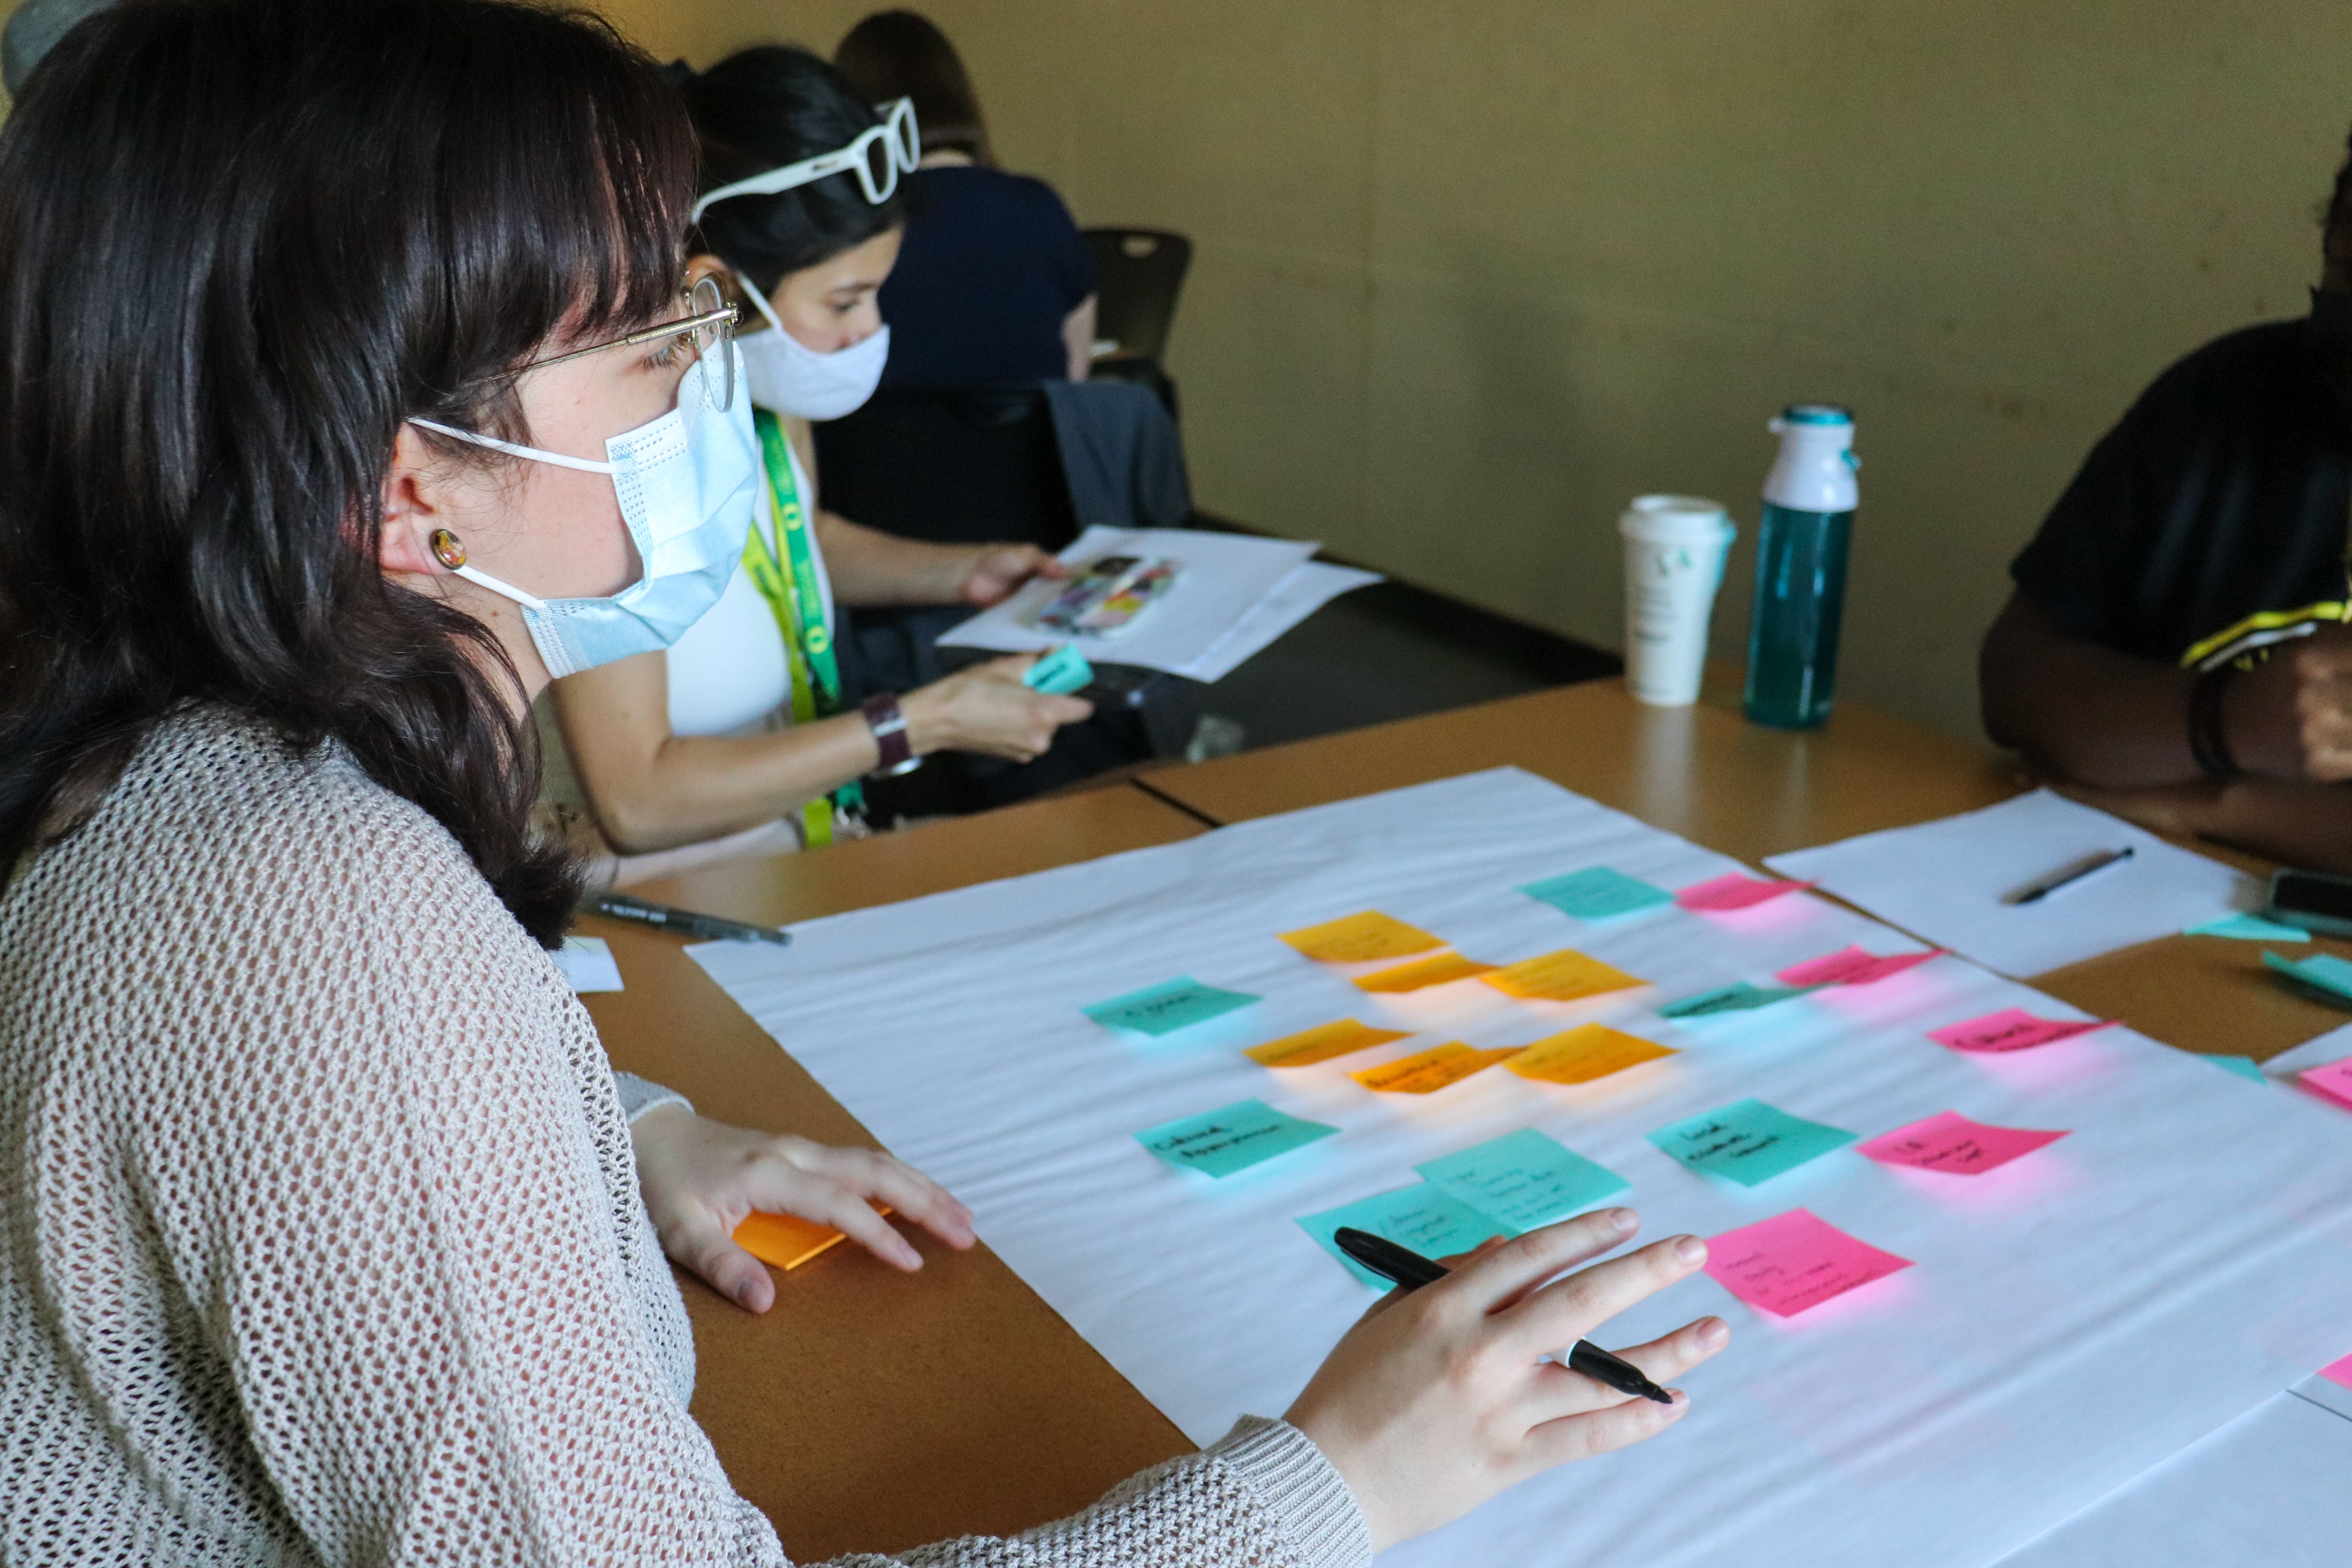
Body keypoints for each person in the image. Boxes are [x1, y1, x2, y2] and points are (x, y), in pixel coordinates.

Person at [0, 2, 1731, 1563]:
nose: (704, 388)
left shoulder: (188, 776)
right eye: (656, 345)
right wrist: (1334, 1476)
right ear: (407, 488)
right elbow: (332, 1037)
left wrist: (620, 1134)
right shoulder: (319, 918)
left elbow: (288, 1134)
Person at [546, 45, 1092, 871]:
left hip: (789, 850)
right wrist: (922, 722)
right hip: (634, 897)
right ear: (715, 287)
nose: (868, 333)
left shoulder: (756, 398)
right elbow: (637, 798)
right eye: (845, 301)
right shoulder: (601, 456)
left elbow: (786, 537)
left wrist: (966, 573)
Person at [1980, 127, 2352, 871]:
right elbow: (2017, 684)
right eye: (2351, 269)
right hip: (2140, 902)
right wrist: (2225, 722)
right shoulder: (2222, 403)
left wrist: (2206, 801)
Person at [835, 10, 1100, 388]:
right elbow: (1073, 381)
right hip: (1030, 446)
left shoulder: (850, 229)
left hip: (879, 445)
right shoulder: (1041, 208)